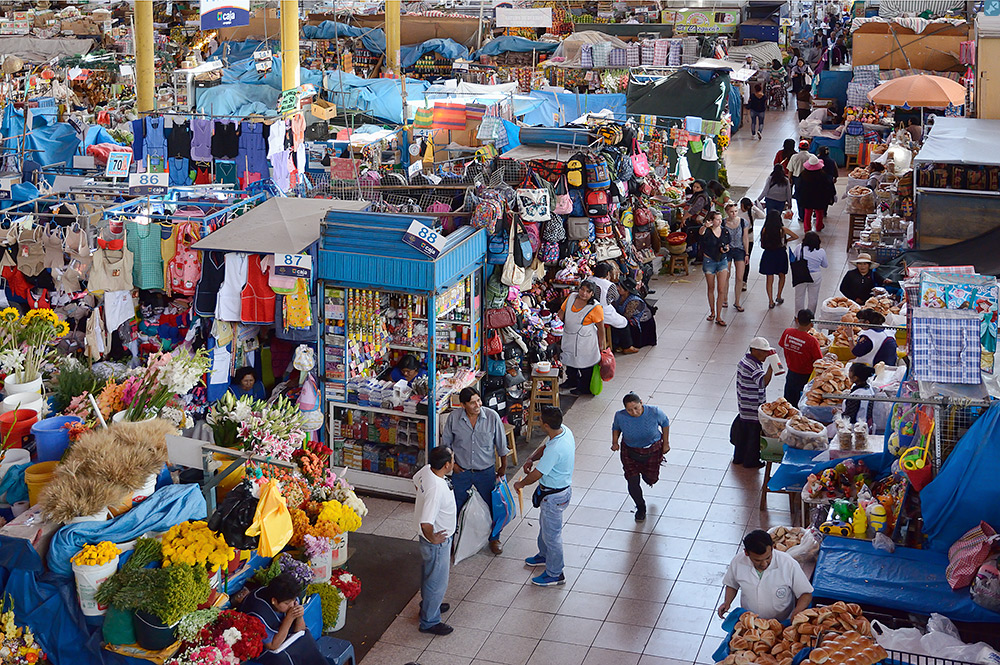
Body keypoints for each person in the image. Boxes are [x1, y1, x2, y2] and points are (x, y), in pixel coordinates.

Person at [440, 387, 508, 555]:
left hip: (485, 471)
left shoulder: (492, 417)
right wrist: (453, 466)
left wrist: (503, 467)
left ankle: (494, 538)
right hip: (461, 472)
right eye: (472, 403)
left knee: (492, 505)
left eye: (478, 400)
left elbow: (501, 444)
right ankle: (453, 539)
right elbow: (446, 444)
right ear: (463, 405)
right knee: (455, 505)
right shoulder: (454, 418)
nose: (477, 405)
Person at [515, 406, 574, 587]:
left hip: (554, 497)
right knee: (545, 527)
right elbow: (545, 447)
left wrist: (520, 484)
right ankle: (544, 555)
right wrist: (531, 458)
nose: (539, 421)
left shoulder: (556, 448)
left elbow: (536, 474)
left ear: (546, 425)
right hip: (556, 493)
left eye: (541, 419)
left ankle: (555, 573)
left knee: (552, 536)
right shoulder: (563, 431)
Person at [717, 530, 814, 621]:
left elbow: (806, 594)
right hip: (751, 621)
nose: (764, 564)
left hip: (782, 621)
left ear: (772, 548)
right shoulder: (738, 562)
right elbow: (732, 584)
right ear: (746, 552)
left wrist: (796, 612)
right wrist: (727, 602)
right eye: (757, 560)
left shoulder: (788, 564)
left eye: (768, 558)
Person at [413, 446, 457, 635]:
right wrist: (434, 538)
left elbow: (415, 481)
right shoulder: (436, 489)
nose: (454, 462)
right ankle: (429, 621)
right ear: (446, 465)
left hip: (427, 541)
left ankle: (429, 605)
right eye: (452, 459)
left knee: (429, 574)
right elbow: (426, 523)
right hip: (435, 544)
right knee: (437, 581)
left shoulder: (426, 471)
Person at [239, 573, 327, 664]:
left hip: (284, 637)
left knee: (306, 639)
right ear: (274, 601)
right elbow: (273, 646)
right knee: (284, 657)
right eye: (287, 603)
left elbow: (300, 631)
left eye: (293, 600)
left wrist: (299, 617)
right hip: (264, 648)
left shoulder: (289, 598)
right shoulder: (258, 614)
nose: (292, 605)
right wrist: (289, 619)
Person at [611, 393, 670, 522]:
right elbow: (616, 427)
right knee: (632, 480)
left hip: (652, 450)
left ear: (641, 403)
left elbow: (665, 423)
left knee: (651, 478)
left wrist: (666, 443)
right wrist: (615, 442)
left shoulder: (654, 412)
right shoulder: (620, 416)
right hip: (630, 451)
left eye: (636, 408)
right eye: (629, 410)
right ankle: (640, 507)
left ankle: (646, 474)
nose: (634, 412)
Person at [558, 280, 607, 395]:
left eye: (588, 291)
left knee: (585, 364)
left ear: (592, 294)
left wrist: (602, 343)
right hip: (569, 336)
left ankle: (585, 387)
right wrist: (556, 321)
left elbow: (601, 328)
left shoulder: (595, 307)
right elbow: (562, 312)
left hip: (585, 341)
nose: (584, 293)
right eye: (582, 289)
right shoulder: (571, 298)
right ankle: (572, 380)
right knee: (570, 360)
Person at [733, 338, 775, 469]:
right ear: (755, 351)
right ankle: (751, 461)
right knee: (753, 436)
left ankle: (738, 457)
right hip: (752, 407)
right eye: (764, 352)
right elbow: (763, 382)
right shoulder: (753, 366)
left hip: (744, 405)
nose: (766, 355)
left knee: (743, 434)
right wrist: (771, 368)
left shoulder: (745, 361)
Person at [779, 309, 823, 406]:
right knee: (802, 402)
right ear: (812, 324)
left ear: (797, 320)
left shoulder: (787, 332)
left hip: (791, 373)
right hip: (805, 376)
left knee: (788, 402)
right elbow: (819, 360)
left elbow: (782, 344)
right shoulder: (812, 341)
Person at [759, 209, 798, 309]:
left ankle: (770, 300)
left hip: (768, 254)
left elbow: (762, 242)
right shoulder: (782, 229)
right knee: (782, 275)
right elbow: (795, 236)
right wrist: (786, 240)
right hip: (780, 254)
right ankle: (779, 295)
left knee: (769, 278)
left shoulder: (765, 230)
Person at [591, 263, 633, 353]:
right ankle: (627, 346)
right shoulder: (609, 285)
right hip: (603, 313)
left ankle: (615, 344)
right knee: (623, 322)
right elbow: (616, 297)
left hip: (588, 311)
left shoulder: (588, 280)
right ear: (607, 274)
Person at [700, 211, 731, 327]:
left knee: (721, 289)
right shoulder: (707, 231)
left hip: (722, 260)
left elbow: (727, 244)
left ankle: (719, 315)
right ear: (712, 220)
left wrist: (725, 249)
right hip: (709, 261)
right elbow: (700, 233)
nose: (720, 221)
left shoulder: (725, 231)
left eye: (720, 219)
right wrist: (705, 226)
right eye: (717, 219)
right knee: (711, 287)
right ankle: (712, 311)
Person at [797, 155, 835, 233]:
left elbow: (799, 187)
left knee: (807, 213)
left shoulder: (803, 175)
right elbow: (828, 187)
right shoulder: (823, 175)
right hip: (819, 197)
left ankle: (807, 228)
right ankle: (819, 226)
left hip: (807, 197)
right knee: (819, 213)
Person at [793, 232, 828, 313]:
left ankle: (798, 315)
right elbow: (825, 265)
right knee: (813, 297)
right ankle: (810, 315)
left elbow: (794, 258)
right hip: (815, 275)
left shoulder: (799, 247)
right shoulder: (821, 251)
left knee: (799, 296)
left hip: (801, 274)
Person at [724, 202, 749, 312]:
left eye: (735, 211)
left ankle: (737, 301)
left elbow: (745, 238)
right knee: (726, 276)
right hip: (727, 251)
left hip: (739, 250)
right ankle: (724, 299)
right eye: (731, 212)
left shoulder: (743, 222)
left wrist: (747, 253)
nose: (734, 214)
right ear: (727, 212)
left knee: (739, 277)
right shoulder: (723, 223)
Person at [739, 197, 765, 291]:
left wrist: (754, 207)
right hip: (738, 240)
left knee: (746, 260)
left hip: (749, 240)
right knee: (739, 260)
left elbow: (762, 216)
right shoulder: (737, 212)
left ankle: (744, 281)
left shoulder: (752, 213)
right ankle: (739, 279)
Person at [843, 363, 877, 428]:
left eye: (850, 371)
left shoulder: (856, 396)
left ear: (855, 378)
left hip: (855, 428)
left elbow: (849, 417)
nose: (848, 374)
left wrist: (837, 413)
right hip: (866, 425)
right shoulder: (869, 388)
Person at [787, 140, 813, 222]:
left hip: (797, 179)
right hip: (809, 179)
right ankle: (808, 215)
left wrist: (789, 180)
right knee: (808, 197)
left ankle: (801, 216)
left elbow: (790, 170)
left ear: (799, 147)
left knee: (799, 197)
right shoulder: (812, 157)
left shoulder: (794, 157)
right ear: (808, 148)